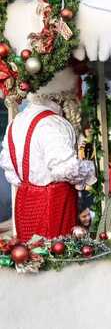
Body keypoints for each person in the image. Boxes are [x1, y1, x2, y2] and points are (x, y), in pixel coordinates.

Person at [0, 69, 96, 242]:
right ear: (61, 96)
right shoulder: (53, 123)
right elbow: (67, 169)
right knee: (57, 253)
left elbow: (10, 172)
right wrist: (90, 168)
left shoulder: (15, 123)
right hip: (55, 204)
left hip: (25, 203)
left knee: (29, 252)